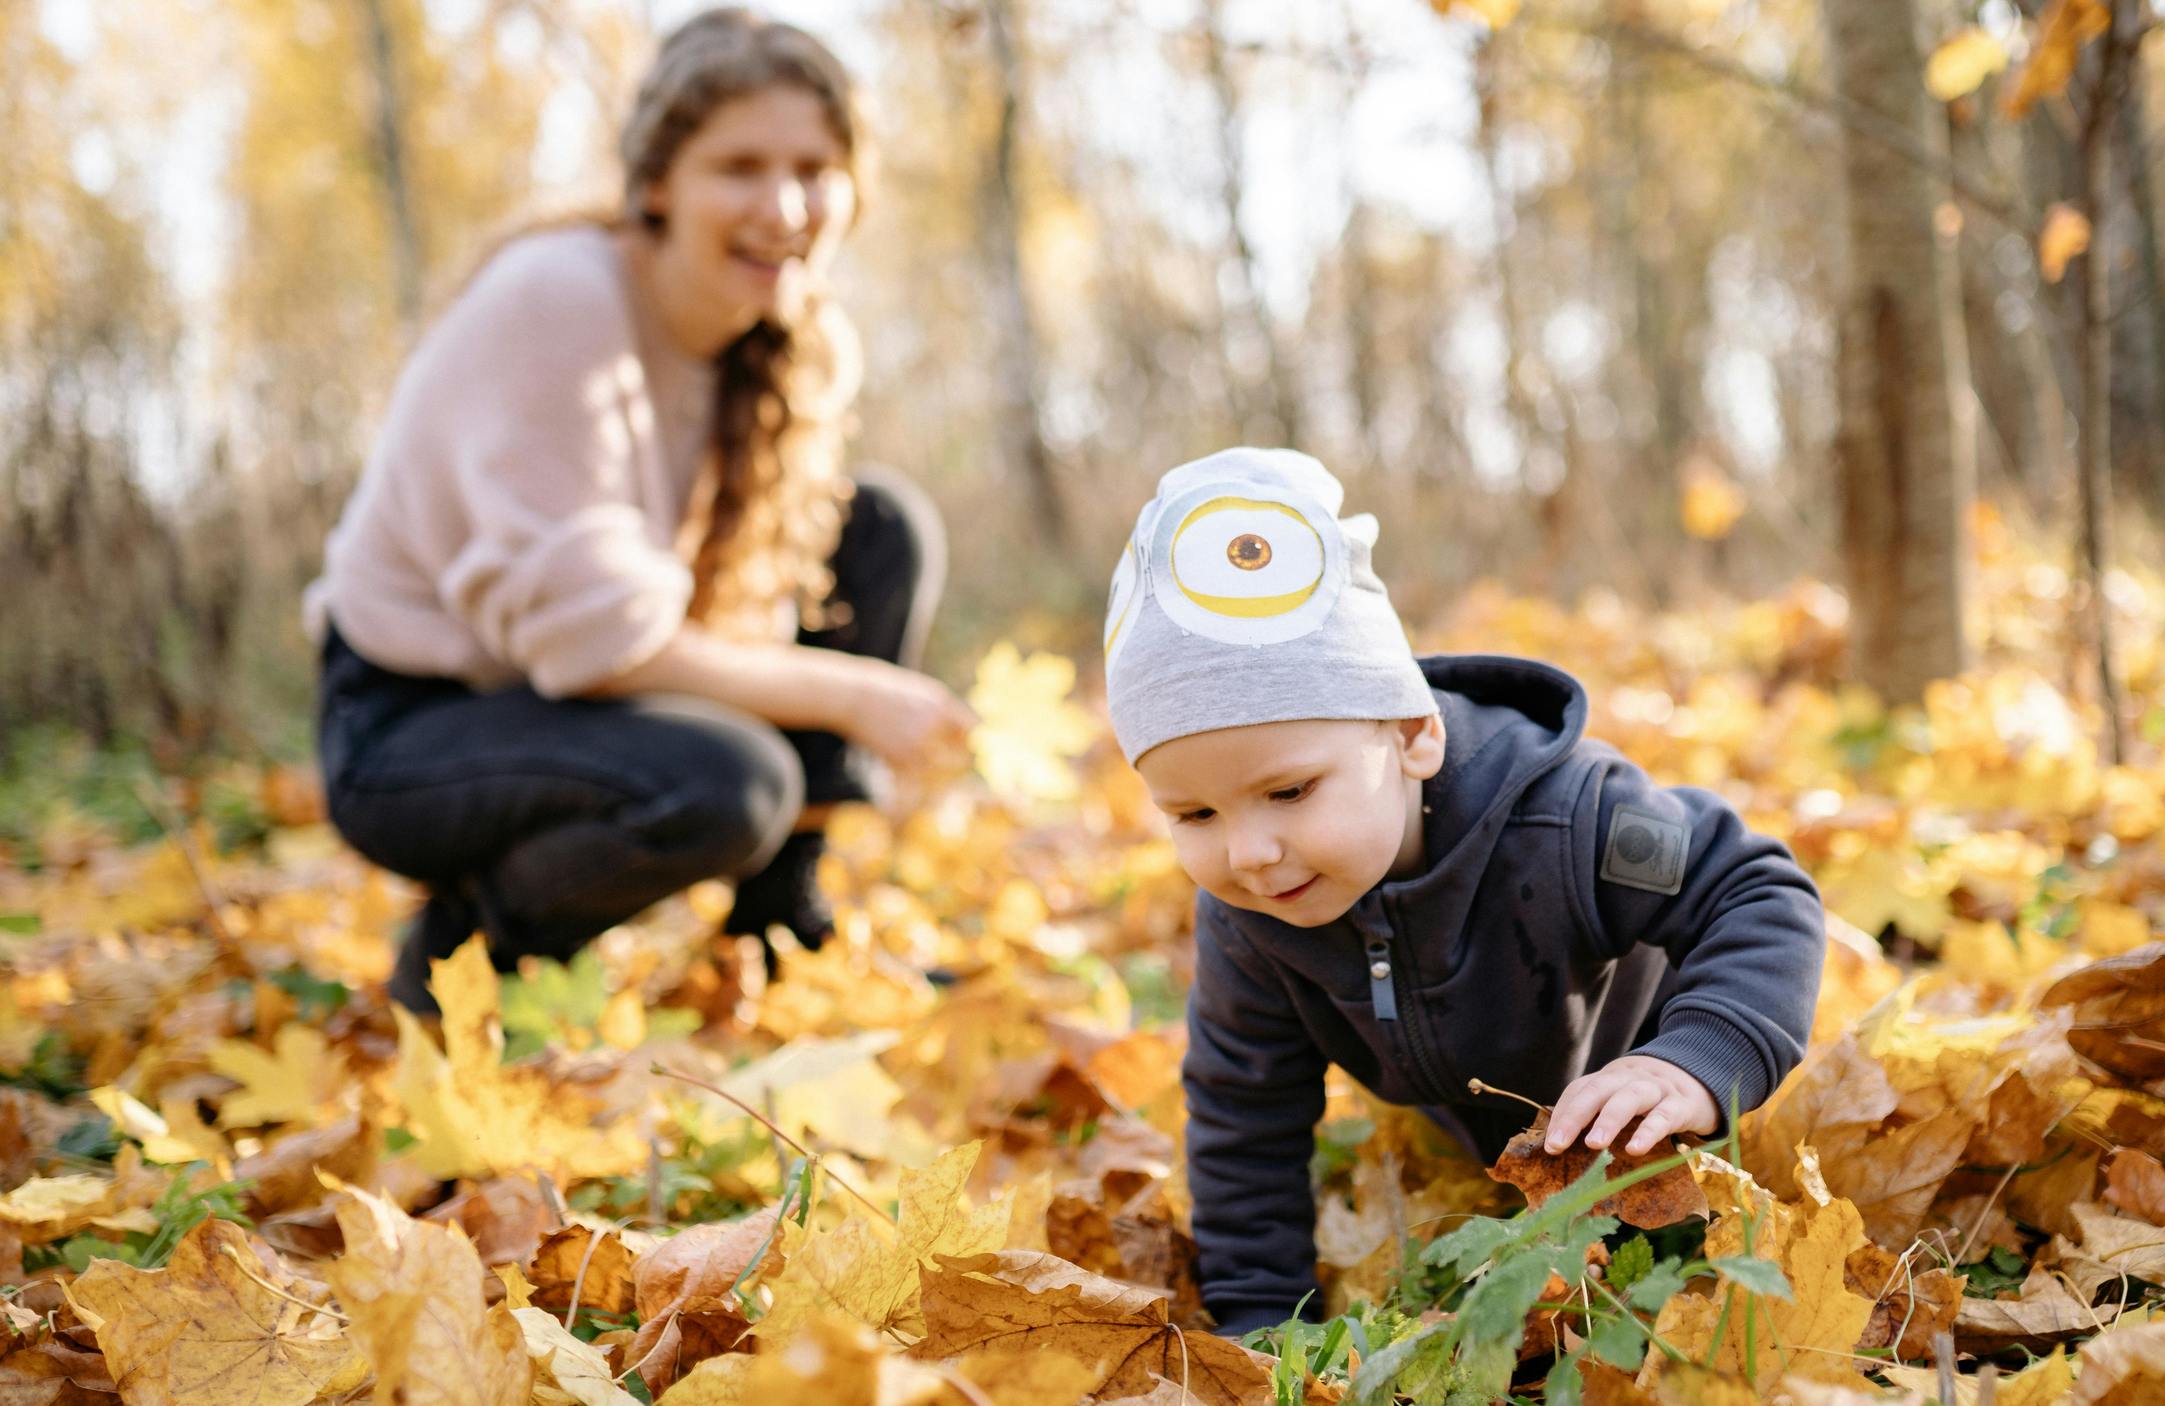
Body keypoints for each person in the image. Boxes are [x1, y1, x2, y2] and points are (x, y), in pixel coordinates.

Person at [305, 8, 972, 1016]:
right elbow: (596, 642)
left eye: (814, 167)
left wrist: (830, 684)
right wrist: (851, 695)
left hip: (571, 687)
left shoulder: (778, 331)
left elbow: (716, 603)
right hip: (413, 727)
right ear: (657, 180)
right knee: (729, 781)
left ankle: (775, 923)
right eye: (739, 166)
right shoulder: (558, 298)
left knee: (877, 529)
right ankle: (463, 957)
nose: (785, 204)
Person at [1100, 447, 1826, 1337]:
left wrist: (1699, 1058)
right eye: (1194, 813)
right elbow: (1243, 1115)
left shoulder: (1571, 820)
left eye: (1289, 792)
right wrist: (1261, 1328)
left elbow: (1754, 887)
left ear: (1413, 735)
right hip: (1499, 1167)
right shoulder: (1252, 920)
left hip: (1672, 1133)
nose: (1249, 851)